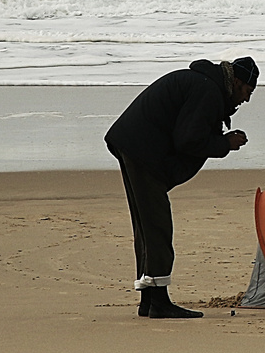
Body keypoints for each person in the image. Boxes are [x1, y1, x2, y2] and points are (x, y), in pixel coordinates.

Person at [105, 56, 256, 318]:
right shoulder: (208, 91)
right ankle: (159, 302)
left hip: (133, 142)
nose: (246, 99)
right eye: (247, 91)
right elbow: (189, 140)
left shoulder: (205, 84)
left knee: (147, 225)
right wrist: (224, 144)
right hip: (142, 148)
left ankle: (149, 299)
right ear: (237, 81)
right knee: (157, 224)